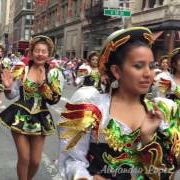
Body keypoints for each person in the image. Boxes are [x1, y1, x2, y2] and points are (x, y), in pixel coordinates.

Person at [58, 27, 180, 180]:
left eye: (151, 65)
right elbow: (72, 160)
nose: (148, 73)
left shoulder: (165, 111)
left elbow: (170, 173)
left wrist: (148, 139)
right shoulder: (92, 107)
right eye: (138, 66)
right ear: (116, 71)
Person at [0, 35, 64, 180]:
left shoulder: (53, 74)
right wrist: (8, 87)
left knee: (35, 161)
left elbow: (54, 100)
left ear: (49, 54)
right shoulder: (22, 70)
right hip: (20, 115)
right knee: (24, 157)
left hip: (40, 117)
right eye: (37, 50)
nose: (40, 54)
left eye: (44, 51)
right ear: (31, 52)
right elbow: (11, 96)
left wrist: (43, 86)